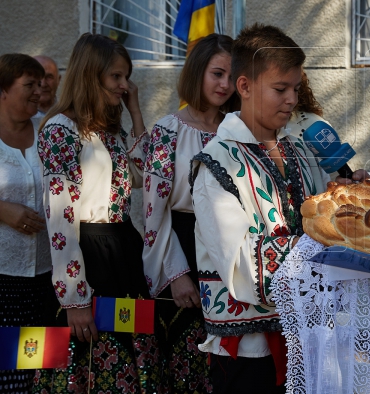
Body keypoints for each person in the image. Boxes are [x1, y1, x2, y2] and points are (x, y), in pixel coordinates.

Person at [191, 23, 329, 394]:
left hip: (306, 334)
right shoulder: (216, 162)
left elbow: (321, 219)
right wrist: (330, 251)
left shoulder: (299, 149)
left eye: (296, 89)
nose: (291, 100)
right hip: (249, 349)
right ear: (245, 87)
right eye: (280, 89)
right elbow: (241, 264)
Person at [35, 33, 160, 393]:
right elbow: (60, 219)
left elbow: (142, 177)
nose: (125, 85)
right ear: (91, 75)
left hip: (122, 248)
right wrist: (74, 297)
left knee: (132, 366)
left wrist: (135, 112)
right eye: (116, 77)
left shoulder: (109, 129)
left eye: (126, 77)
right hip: (86, 255)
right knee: (81, 365)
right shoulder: (61, 130)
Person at [143, 33, 238, 393]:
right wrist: (176, 273)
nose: (225, 84)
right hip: (181, 243)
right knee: (187, 361)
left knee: (228, 361)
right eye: (217, 73)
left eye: (232, 76)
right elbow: (154, 211)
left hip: (229, 251)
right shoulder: (167, 130)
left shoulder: (238, 131)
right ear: (197, 72)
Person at [0, 54, 57, 394]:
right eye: (29, 85)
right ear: (3, 89)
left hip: (45, 278)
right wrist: (2, 209)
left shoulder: (48, 130)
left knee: (37, 371)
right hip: (3, 279)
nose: (39, 90)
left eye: (41, 83)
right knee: (7, 372)